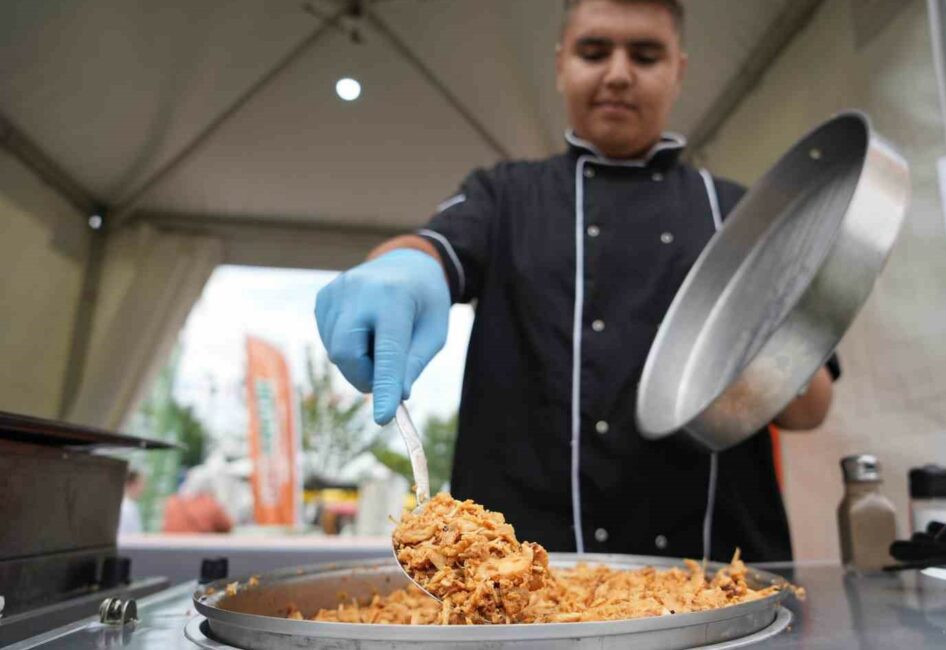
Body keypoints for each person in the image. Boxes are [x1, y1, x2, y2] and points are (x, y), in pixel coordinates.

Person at [315, 0, 839, 562]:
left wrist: (770, 345)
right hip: (519, 585)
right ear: (562, 63)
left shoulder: (739, 214)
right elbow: (431, 248)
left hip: (715, 576)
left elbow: (809, 411)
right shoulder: (505, 196)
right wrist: (400, 270)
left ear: (679, 71)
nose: (618, 73)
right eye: (594, 52)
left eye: (645, 55)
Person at [162, 466, 234, 534]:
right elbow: (227, 526)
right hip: (199, 545)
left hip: (171, 545)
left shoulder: (172, 501)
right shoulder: (210, 504)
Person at [117, 469, 145, 536]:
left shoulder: (132, 506)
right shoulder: (126, 509)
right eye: (141, 484)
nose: (143, 489)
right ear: (132, 485)